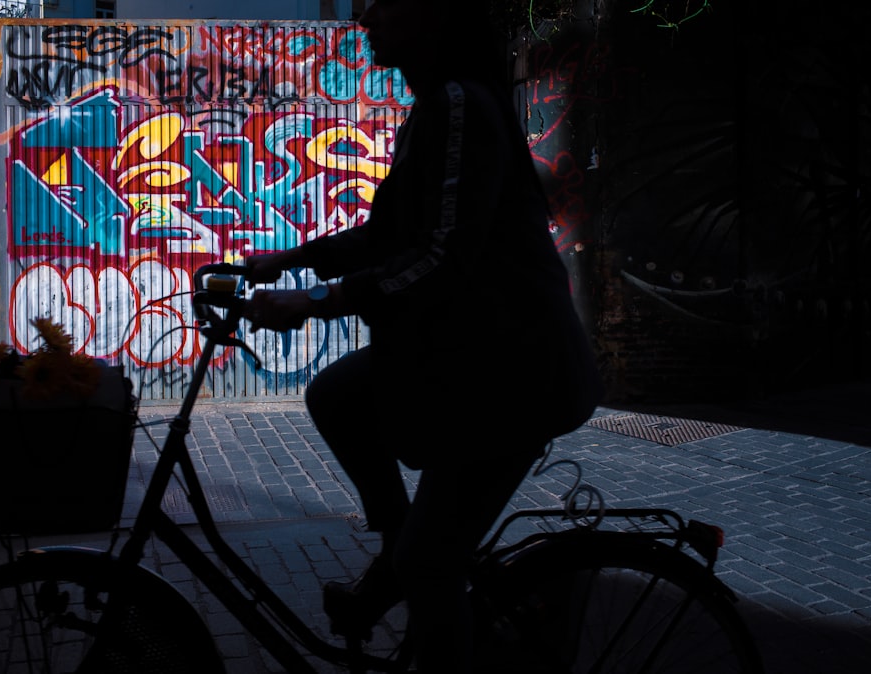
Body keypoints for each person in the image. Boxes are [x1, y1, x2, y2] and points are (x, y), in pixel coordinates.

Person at [243, 0, 605, 670]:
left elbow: (442, 256)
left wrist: (315, 300)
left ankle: (418, 586)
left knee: (431, 568)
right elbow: (390, 236)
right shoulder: (438, 106)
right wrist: (289, 261)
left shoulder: (461, 104)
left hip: (514, 372)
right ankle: (395, 551)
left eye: (383, 2)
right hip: (469, 362)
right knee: (338, 394)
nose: (365, 16)